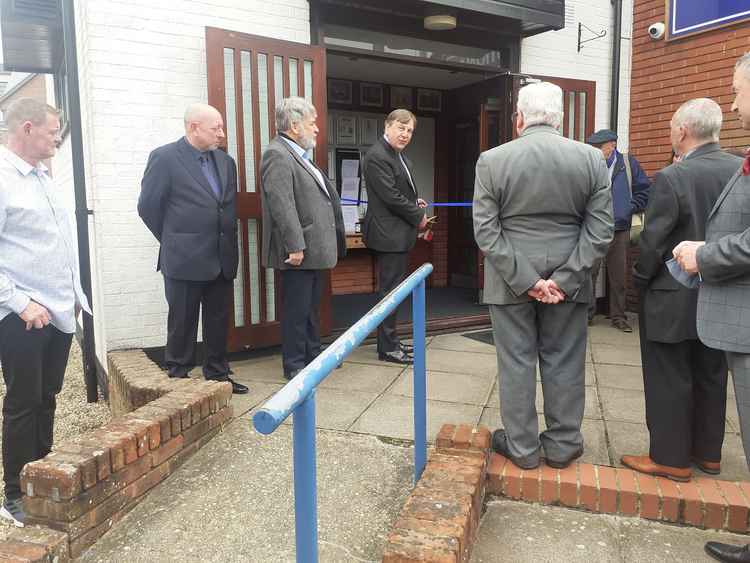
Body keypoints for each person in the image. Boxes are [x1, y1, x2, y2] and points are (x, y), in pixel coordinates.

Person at [473, 82, 613, 470]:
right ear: (560, 118)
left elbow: (486, 231)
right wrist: (565, 279)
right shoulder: (590, 159)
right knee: (565, 360)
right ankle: (564, 444)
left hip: (509, 279)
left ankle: (521, 447)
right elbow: (600, 230)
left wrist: (527, 279)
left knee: (516, 361)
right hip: (571, 277)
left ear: (519, 117)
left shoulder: (492, 160)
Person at [621, 98, 740, 483]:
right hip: (723, 290)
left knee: (668, 374)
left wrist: (638, 279)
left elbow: (653, 241)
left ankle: (670, 458)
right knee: (711, 372)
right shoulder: (740, 167)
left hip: (672, 295)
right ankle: (709, 454)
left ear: (682, 131)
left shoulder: (673, 177)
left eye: (672, 126)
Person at [671, 53, 750, 563]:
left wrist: (704, 255)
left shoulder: (675, 175)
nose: (737, 105)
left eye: (741, 92)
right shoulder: (735, 159)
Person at [0, 98, 91, 526]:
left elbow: (57, 240)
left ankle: (42, 476)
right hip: (20, 314)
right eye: (54, 131)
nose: (58, 137)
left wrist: (73, 294)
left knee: (47, 398)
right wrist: (21, 302)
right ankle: (16, 495)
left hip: (57, 310)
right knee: (23, 403)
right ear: (28, 128)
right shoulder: (2, 177)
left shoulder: (42, 177)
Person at [138, 103, 247, 394]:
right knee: (182, 323)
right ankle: (178, 379)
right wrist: (174, 238)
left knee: (218, 321)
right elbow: (148, 207)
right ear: (193, 127)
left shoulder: (225, 162)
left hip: (221, 258)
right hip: (183, 259)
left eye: (222, 127)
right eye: (216, 128)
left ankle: (218, 375)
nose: (222, 134)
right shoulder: (164, 158)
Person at [260, 97, 345, 380]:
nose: (317, 129)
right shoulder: (278, 154)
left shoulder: (299, 155)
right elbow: (281, 204)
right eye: (312, 123)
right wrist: (295, 245)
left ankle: (312, 356)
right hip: (300, 251)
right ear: (295, 125)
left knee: (310, 309)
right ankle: (295, 365)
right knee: (297, 311)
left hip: (313, 251)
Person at [362, 109, 428, 365]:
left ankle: (390, 341)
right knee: (390, 293)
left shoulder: (398, 157)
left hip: (398, 234)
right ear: (387, 126)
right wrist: (417, 215)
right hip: (388, 235)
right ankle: (387, 348)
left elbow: (398, 194)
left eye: (410, 130)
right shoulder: (378, 156)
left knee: (395, 291)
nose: (405, 134)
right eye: (401, 128)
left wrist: (414, 202)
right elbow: (389, 196)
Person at [586, 129, 650, 332]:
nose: (595, 150)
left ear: (612, 145)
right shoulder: (590, 164)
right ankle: (586, 315)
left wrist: (628, 208)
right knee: (588, 274)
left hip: (620, 229)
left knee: (618, 277)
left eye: (599, 146)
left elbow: (644, 190)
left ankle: (618, 317)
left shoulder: (628, 163)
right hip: (594, 228)